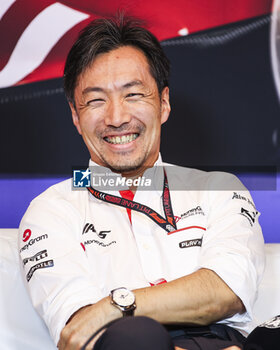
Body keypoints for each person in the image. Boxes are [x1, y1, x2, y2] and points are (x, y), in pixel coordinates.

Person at [18, 15, 265, 350]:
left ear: (163, 103)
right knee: (135, 337)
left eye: (133, 94)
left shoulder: (218, 188)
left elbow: (225, 291)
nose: (117, 118)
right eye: (95, 100)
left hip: (223, 342)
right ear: (75, 116)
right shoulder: (51, 209)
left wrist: (113, 305)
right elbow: (80, 330)